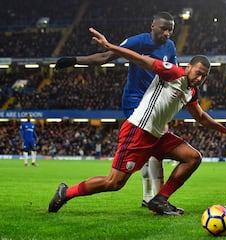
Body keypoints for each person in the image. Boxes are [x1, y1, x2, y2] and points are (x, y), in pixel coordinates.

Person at [48, 27, 226, 216]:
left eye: (204, 76)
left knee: (193, 157)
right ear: (188, 68)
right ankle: (66, 193)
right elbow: (140, 59)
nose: (200, 78)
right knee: (114, 183)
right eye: (198, 73)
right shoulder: (174, 74)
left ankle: (160, 199)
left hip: (157, 136)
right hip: (138, 131)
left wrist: (224, 130)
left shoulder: (191, 92)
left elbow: (201, 117)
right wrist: (109, 46)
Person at [55, 12, 178, 210]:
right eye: (163, 28)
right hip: (135, 102)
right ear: (153, 25)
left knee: (155, 150)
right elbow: (105, 56)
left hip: (156, 104)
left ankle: (153, 198)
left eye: (170, 30)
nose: (167, 33)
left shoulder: (170, 47)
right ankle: (150, 197)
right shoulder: (137, 41)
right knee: (148, 147)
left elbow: (173, 75)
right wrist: (75, 60)